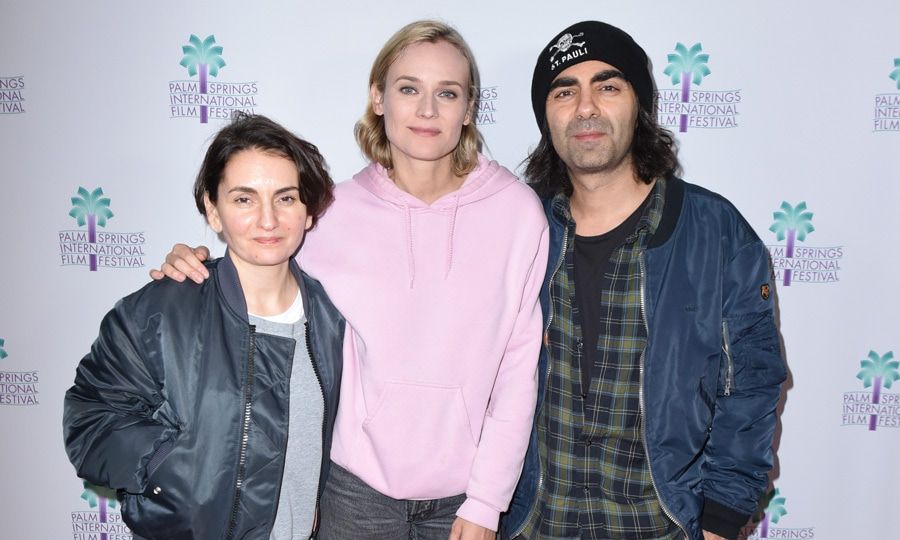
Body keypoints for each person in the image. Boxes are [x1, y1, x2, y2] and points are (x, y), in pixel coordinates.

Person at [151, 20, 549, 539]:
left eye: (446, 93)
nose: (427, 110)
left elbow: (519, 370)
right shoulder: (330, 212)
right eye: (409, 89)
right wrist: (194, 268)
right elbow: (259, 275)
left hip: (465, 498)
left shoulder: (517, 213)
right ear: (378, 97)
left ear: (470, 108)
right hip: (349, 492)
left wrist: (487, 501)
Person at [500, 20, 787, 540]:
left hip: (662, 526)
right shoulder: (518, 232)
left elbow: (751, 387)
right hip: (532, 524)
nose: (586, 107)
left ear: (640, 104)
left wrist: (720, 522)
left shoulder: (715, 233)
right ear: (546, 116)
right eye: (565, 92)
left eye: (607, 86)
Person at [63, 113, 345, 540]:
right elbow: (91, 419)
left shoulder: (334, 317)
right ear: (213, 211)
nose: (268, 220)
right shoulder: (161, 311)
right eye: (244, 199)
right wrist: (173, 469)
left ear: (307, 211)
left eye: (285, 198)